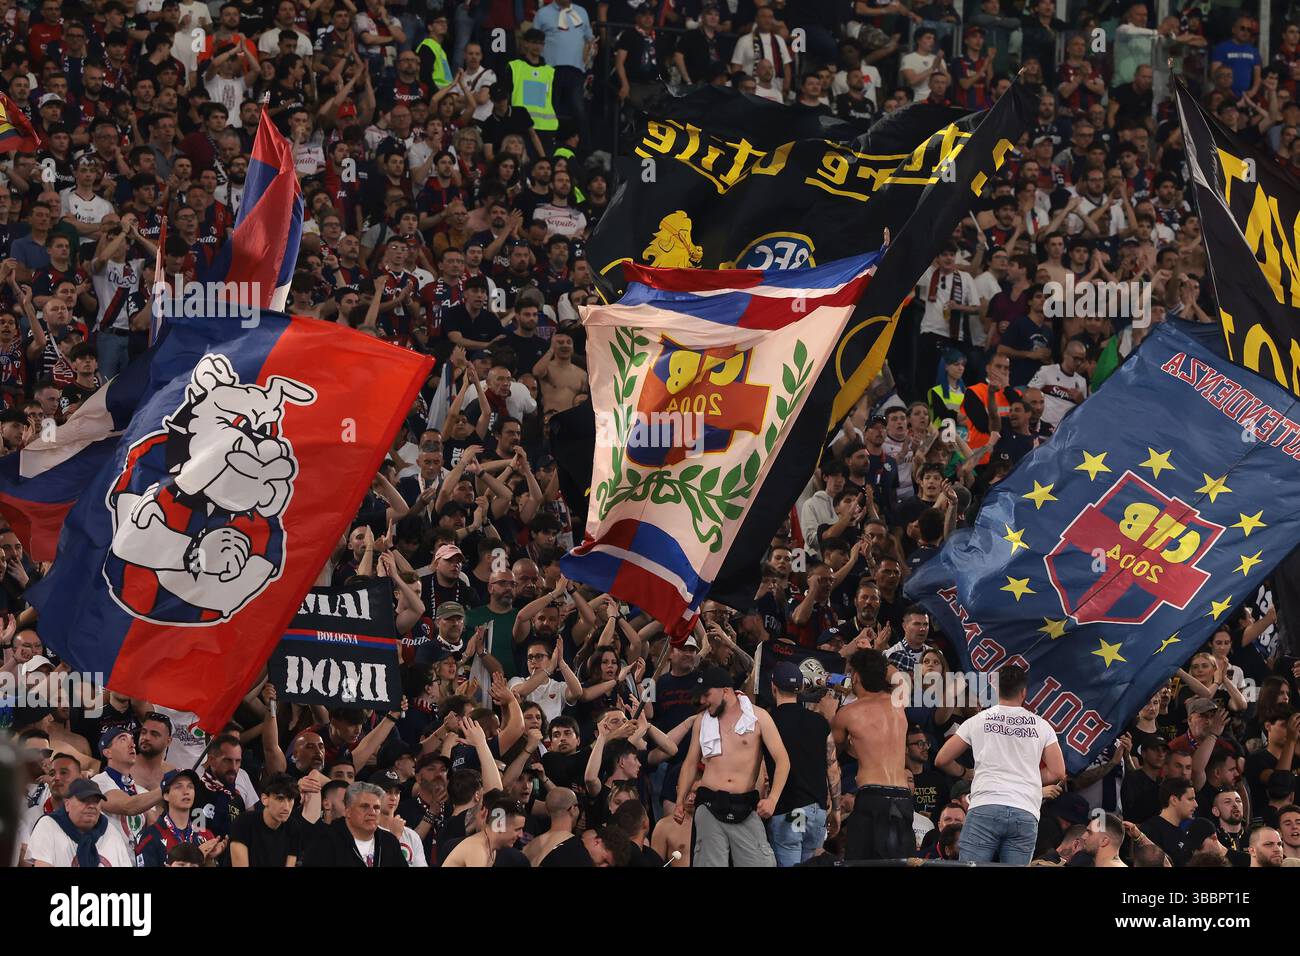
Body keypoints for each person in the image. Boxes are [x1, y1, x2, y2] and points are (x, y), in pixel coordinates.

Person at [936, 663, 1065, 865]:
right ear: (1023, 692)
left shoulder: (978, 720)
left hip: (985, 807)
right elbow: (1058, 772)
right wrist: (1028, 779)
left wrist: (964, 772)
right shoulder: (1042, 725)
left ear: (995, 689)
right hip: (1024, 810)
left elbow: (942, 759)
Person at [674, 666, 788, 867]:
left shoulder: (759, 717)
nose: (702, 701)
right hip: (708, 803)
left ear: (725, 690)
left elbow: (782, 760)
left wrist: (773, 799)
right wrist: (679, 800)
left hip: (745, 804)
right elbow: (691, 763)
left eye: (706, 695)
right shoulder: (702, 721)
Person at [832, 648, 912, 860]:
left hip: (872, 798)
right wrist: (877, 655)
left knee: (862, 863)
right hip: (902, 797)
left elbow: (831, 756)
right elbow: (900, 677)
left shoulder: (847, 713)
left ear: (855, 676)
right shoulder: (899, 701)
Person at [764, 662, 831, 866]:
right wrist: (835, 810)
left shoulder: (767, 721)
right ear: (801, 688)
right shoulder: (820, 721)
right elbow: (833, 768)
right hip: (816, 813)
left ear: (773, 687)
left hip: (789, 810)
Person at [27, 778, 136, 867]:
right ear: (67, 804)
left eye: (96, 801)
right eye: (85, 800)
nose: (92, 805)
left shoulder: (111, 832)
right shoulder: (48, 825)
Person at [301, 781, 409, 867]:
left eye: (376, 808)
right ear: (347, 811)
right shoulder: (325, 841)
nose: (372, 812)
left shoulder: (389, 842)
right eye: (364, 806)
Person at [229, 773, 301, 867]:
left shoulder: (293, 827)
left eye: (290, 799)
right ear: (264, 799)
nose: (286, 807)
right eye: (280, 799)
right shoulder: (244, 822)